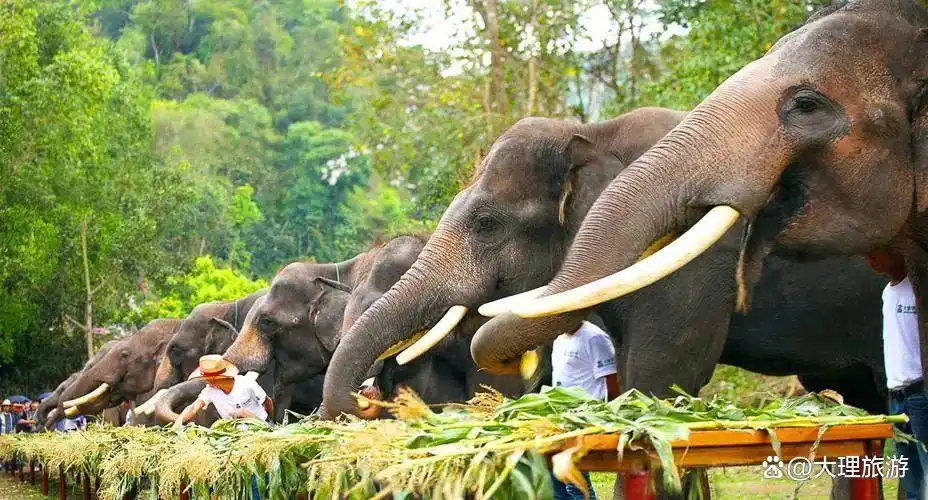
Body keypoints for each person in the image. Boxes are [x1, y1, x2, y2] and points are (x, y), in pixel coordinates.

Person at [866, 249, 927, 499]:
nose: (870, 261)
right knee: (908, 470)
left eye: (875, 254)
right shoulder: (887, 293)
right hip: (897, 397)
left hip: (920, 395)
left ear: (898, 253)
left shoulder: (919, 289)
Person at [173, 355, 273, 500]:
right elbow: (195, 406)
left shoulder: (246, 385)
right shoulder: (210, 390)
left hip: (259, 431)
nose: (204, 381)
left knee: (256, 476)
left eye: (206, 377)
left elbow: (267, 402)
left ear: (215, 378)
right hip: (234, 436)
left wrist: (268, 423)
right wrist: (179, 420)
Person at [550, 319, 619, 500]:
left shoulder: (594, 338)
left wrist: (609, 413)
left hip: (584, 417)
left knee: (575, 479)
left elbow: (612, 382)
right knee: (556, 477)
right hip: (560, 417)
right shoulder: (558, 338)